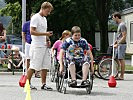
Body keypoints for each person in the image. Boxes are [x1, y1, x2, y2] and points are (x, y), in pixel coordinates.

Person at [27, 1, 53, 90]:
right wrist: (45, 33)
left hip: (44, 45)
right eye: (48, 11)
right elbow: (32, 32)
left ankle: (43, 84)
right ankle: (28, 83)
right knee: (34, 65)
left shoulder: (44, 19)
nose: (48, 13)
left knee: (45, 65)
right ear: (43, 8)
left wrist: (48, 39)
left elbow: (44, 32)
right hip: (37, 46)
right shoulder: (35, 18)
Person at [22, 13, 40, 78]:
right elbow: (23, 33)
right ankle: (28, 72)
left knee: (36, 58)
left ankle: (36, 72)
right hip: (29, 43)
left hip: (36, 43)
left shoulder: (38, 24)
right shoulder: (26, 24)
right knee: (28, 58)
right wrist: (25, 41)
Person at [112, 12, 127, 80]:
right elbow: (119, 36)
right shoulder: (119, 25)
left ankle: (122, 76)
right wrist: (115, 42)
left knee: (121, 59)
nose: (113, 19)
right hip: (119, 45)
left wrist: (117, 44)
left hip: (122, 45)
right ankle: (117, 74)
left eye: (113, 18)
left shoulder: (122, 25)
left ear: (117, 17)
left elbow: (124, 36)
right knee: (115, 59)